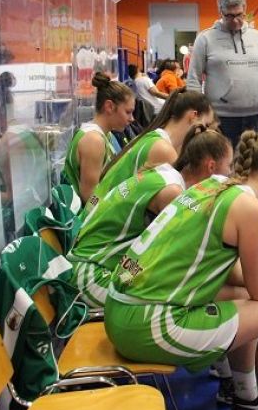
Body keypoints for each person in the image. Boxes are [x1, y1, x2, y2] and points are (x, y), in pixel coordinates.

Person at [105, 131, 258, 410]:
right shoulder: (250, 209)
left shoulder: (211, 187)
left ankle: (247, 402)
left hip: (120, 313)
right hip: (149, 325)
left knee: (241, 299)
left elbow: (240, 277)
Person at [68, 126, 232, 309]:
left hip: (89, 265)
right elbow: (182, 259)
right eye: (229, 166)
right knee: (197, 293)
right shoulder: (173, 192)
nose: (230, 173)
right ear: (211, 167)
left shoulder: (164, 173)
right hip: (92, 276)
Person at [187, 0, 258, 150]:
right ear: (220, 12)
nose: (235, 20)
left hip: (256, 118)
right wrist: (202, 115)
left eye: (239, 15)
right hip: (220, 120)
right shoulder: (205, 38)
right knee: (222, 165)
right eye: (229, 16)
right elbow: (194, 79)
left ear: (245, 10)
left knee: (254, 164)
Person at [93, 88, 213, 202]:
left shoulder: (156, 137)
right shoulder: (163, 150)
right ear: (193, 116)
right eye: (206, 126)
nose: (205, 133)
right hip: (106, 212)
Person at [62, 72, 135, 204]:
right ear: (109, 107)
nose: (132, 119)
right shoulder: (94, 140)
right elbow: (90, 198)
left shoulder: (106, 134)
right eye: (128, 112)